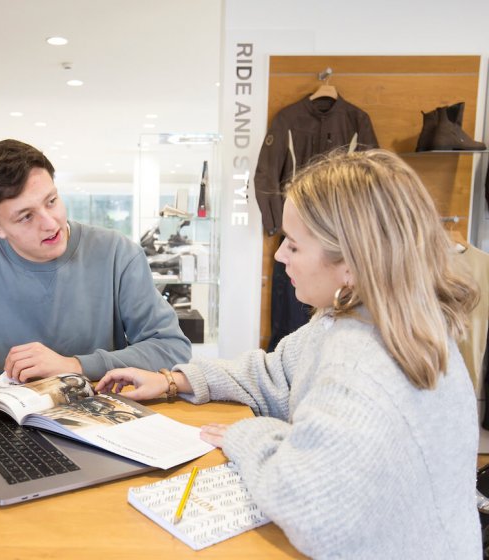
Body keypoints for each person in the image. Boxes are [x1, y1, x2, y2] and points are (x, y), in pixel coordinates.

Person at [96, 149, 481, 558]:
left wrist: (249, 436)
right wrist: (174, 379)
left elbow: (313, 514)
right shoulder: (359, 319)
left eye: (293, 247)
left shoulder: (362, 364)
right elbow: (276, 373)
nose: (279, 256)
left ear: (350, 263)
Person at [0, 139, 191, 385]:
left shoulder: (117, 254)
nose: (51, 223)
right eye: (26, 216)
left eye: (52, 201)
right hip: (6, 434)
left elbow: (171, 347)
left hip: (104, 422)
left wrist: (75, 367)